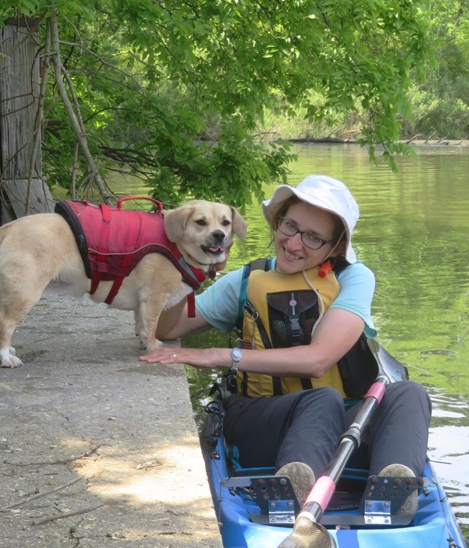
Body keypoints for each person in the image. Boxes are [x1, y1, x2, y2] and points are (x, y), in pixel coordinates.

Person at [140, 175, 432, 512]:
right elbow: (166, 325)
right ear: (278, 222)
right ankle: (291, 493)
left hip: (340, 424)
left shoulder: (354, 279)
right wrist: (190, 270)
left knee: (410, 393)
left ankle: (393, 490)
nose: (294, 244)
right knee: (321, 400)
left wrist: (221, 355)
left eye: (313, 237)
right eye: (289, 226)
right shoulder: (246, 280)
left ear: (335, 247)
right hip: (264, 423)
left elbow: (318, 360)